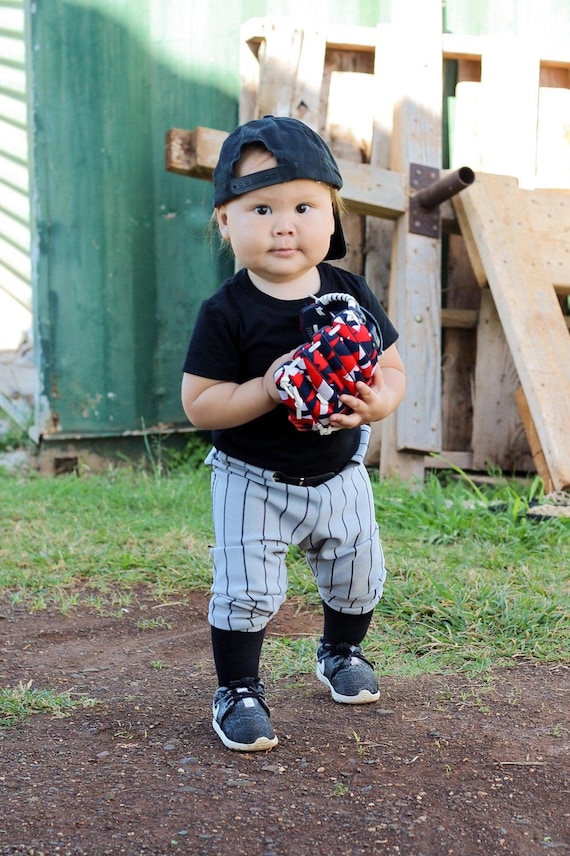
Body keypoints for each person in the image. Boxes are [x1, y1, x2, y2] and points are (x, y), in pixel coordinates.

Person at [181, 115, 406, 752]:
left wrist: (375, 404)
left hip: (339, 472)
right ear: (225, 222)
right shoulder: (226, 312)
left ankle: (339, 651)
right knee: (247, 590)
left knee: (359, 575)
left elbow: (392, 371)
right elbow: (200, 404)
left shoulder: (349, 293)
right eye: (261, 207)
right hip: (253, 479)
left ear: (332, 217)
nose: (285, 223)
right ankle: (239, 689)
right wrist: (266, 387)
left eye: (304, 205)